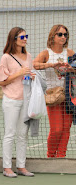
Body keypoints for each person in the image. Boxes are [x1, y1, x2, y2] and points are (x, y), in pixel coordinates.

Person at [0, 27, 35, 177]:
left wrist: (31, 76)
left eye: (26, 36)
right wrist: (18, 73)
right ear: (14, 39)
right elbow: (1, 81)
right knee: (10, 133)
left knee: (22, 134)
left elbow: (28, 75)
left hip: (26, 99)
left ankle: (21, 166)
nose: (25, 39)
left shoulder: (29, 56)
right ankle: (7, 167)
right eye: (22, 37)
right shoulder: (6, 57)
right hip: (11, 99)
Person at [33, 24, 75, 158]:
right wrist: (51, 64)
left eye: (65, 34)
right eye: (60, 34)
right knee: (56, 129)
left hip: (69, 94)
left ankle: (61, 156)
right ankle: (51, 156)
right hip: (54, 95)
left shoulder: (70, 53)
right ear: (53, 36)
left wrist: (71, 69)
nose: (63, 37)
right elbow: (35, 64)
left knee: (66, 128)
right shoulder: (46, 53)